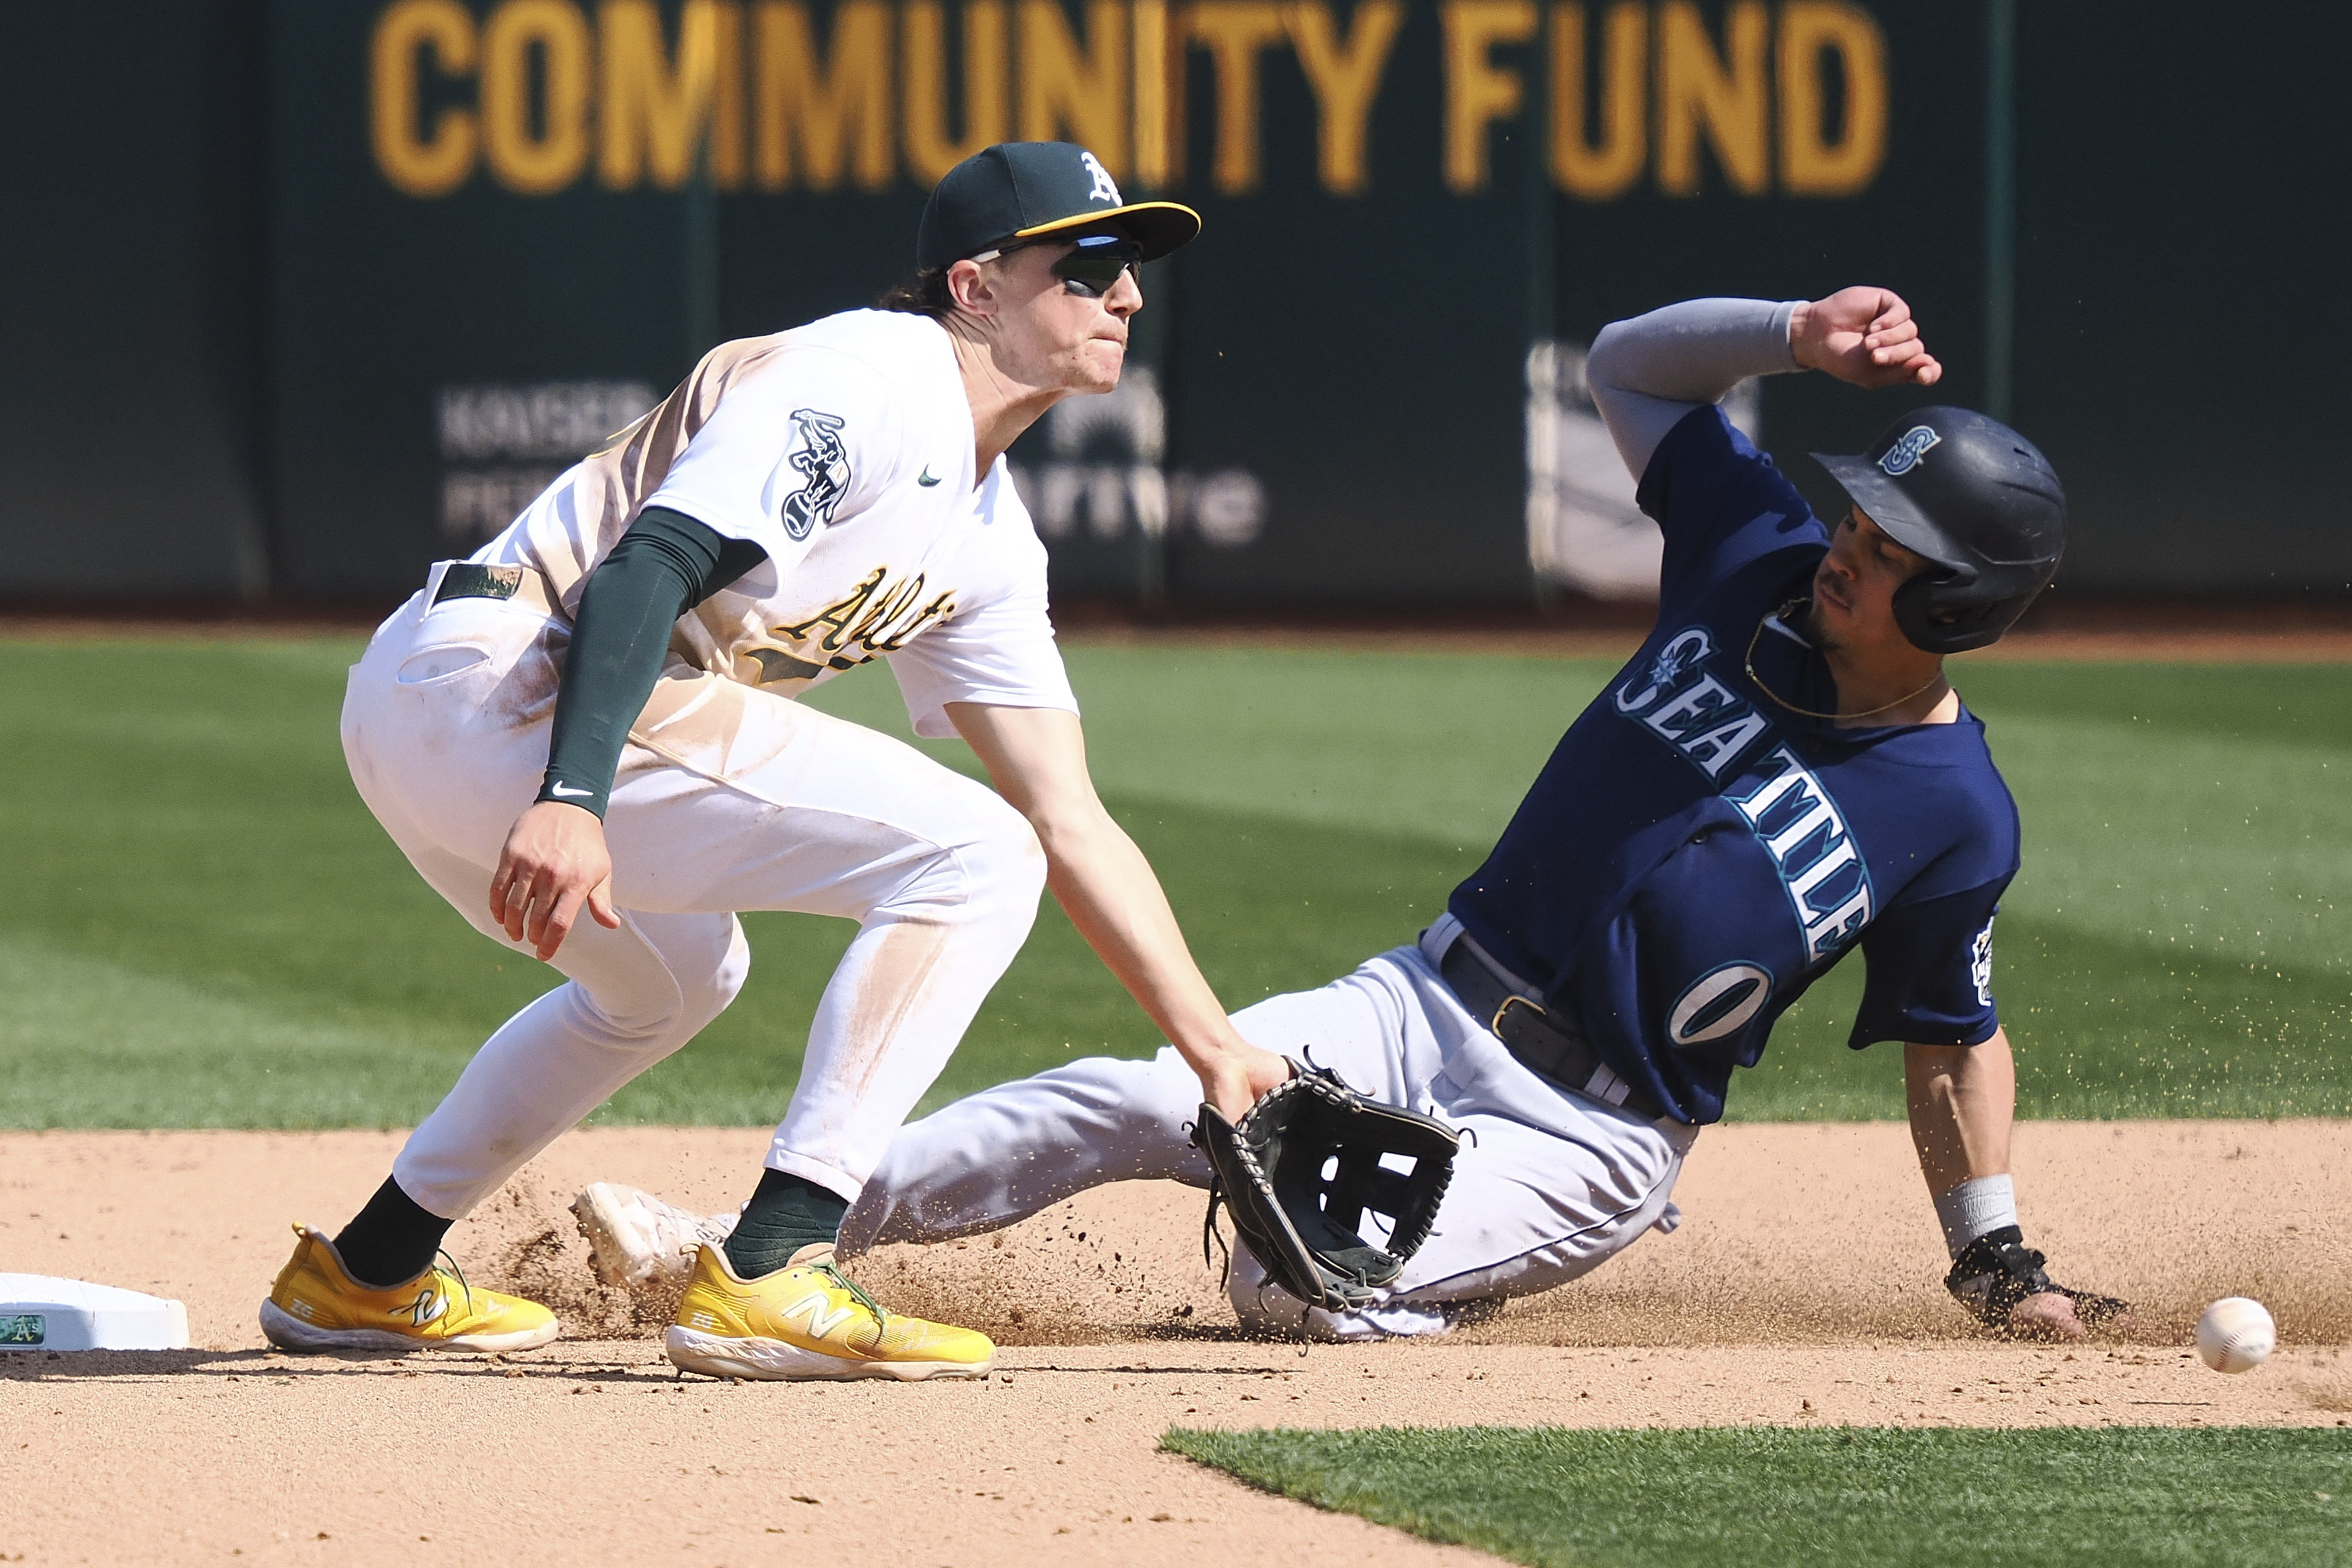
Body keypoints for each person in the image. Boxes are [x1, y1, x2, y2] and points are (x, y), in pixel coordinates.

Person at [580, 286, 2128, 1343]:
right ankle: (758, 1242)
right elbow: (1630, 364)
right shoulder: (1754, 559)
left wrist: (1990, 1251)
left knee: (1298, 1285)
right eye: (1859, 511)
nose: (1850, 544)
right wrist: (1791, 332)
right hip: (1417, 996)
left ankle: (1371, 1275)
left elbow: (1951, 1028)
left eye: (1895, 543)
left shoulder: (1953, 811)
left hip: (1588, 1130)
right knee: (1134, 1090)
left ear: (1969, 604)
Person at [259, 141, 1292, 1378]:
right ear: (975, 288)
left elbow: (1071, 814)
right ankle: (773, 1266)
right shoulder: (873, 376)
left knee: (676, 979)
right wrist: (572, 794)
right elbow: (650, 563)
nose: (1128, 293)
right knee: (972, 857)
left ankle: (365, 1271)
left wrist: (1217, 1049)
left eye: (1133, 269)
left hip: (452, 710)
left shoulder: (991, 540)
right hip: (511, 674)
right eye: (1091, 263)